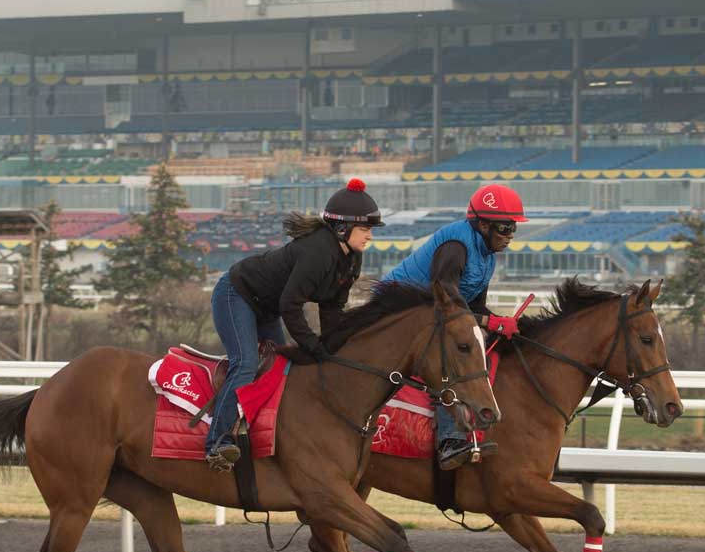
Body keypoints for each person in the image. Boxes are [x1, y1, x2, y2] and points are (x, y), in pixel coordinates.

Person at [204, 178, 383, 470]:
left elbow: (332, 309)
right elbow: (291, 305)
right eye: (365, 229)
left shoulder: (352, 259)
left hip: (267, 307)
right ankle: (218, 443)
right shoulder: (318, 253)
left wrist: (333, 349)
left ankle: (262, 434)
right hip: (236, 295)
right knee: (246, 363)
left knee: (280, 370)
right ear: (343, 229)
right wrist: (313, 345)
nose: (370, 236)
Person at [383, 183, 527, 470]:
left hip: (428, 312)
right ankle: (450, 440)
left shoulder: (487, 257)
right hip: (397, 311)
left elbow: (475, 308)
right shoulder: (455, 248)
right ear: (483, 225)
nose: (510, 235)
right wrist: (488, 322)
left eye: (514, 228)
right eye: (505, 228)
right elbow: (446, 303)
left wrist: (500, 323)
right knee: (450, 360)